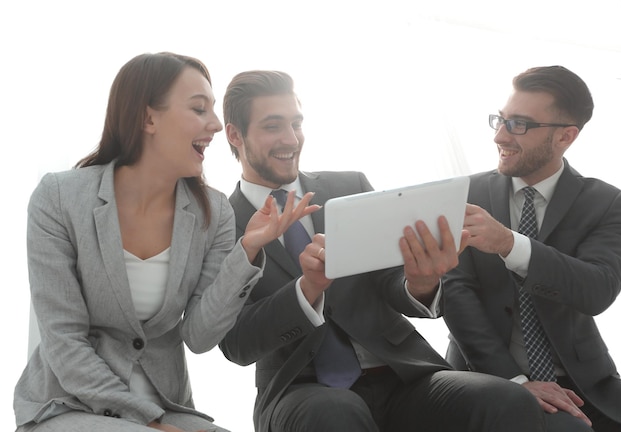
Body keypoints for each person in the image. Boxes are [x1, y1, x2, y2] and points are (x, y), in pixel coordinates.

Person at [218, 69, 547, 432]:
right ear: (234, 134)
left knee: (507, 400)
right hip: (300, 387)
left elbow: (391, 282)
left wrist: (419, 282)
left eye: (296, 123)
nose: (291, 139)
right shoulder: (221, 225)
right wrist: (306, 289)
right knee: (335, 414)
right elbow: (236, 343)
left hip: (401, 372)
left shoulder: (348, 186)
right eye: (272, 126)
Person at [13, 53, 317, 432]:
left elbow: (200, 336)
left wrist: (247, 251)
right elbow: (64, 339)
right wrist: (148, 422)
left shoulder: (215, 213)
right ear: (148, 118)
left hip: (168, 405)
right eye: (198, 108)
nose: (217, 124)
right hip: (69, 404)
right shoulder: (59, 198)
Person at [442, 65, 621, 432]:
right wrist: (518, 382)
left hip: (584, 383)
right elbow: (455, 294)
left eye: (519, 124)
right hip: (487, 377)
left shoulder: (608, 203)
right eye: (500, 119)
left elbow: (596, 290)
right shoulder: (461, 195)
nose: (500, 136)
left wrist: (511, 245)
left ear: (566, 137)